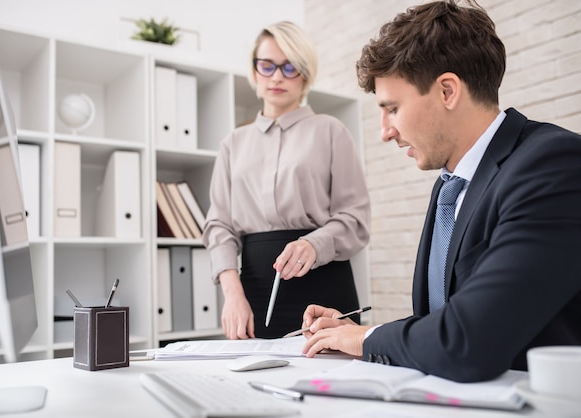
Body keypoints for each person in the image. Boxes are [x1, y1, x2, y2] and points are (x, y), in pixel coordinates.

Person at [300, 0, 581, 383]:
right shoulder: (449, 186)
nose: (385, 131)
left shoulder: (553, 165)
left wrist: (365, 338)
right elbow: (446, 319)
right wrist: (351, 334)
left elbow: (469, 341)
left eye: (393, 108)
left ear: (447, 91)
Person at [202, 21, 371, 340]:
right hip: (254, 292)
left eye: (289, 67)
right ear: (254, 72)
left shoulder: (331, 131)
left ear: (305, 74)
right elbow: (219, 226)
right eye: (267, 66)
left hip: (325, 288)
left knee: (331, 381)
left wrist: (315, 243)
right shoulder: (233, 143)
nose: (277, 76)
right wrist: (232, 295)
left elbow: (356, 219)